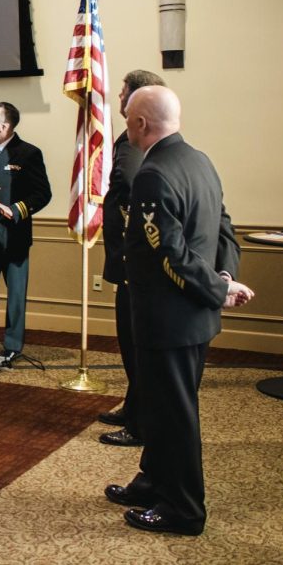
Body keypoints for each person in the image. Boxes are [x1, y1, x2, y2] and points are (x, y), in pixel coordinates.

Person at [105, 86, 254, 536]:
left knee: (174, 415)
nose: (125, 126)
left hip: (168, 320)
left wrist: (216, 291)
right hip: (192, 319)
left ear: (141, 124)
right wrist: (224, 279)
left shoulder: (153, 174)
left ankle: (183, 510)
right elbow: (224, 229)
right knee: (161, 407)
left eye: (128, 117)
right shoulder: (199, 160)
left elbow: (168, 254)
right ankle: (153, 480)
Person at [97, 70, 166, 448]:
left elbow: (132, 189)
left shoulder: (130, 142)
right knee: (133, 342)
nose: (118, 97)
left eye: (123, 92)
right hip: (132, 257)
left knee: (133, 341)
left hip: (132, 258)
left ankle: (139, 420)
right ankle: (134, 405)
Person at [0, 101, 51, 367]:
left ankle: (13, 347)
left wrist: (16, 209)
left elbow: (43, 194)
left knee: (16, 295)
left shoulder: (28, 153)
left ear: (4, 126)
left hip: (13, 235)